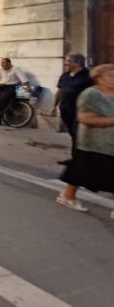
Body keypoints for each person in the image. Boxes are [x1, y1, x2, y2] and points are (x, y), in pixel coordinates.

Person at [55, 64, 114, 219]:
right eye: (111, 75)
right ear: (98, 79)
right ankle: (68, 196)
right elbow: (84, 118)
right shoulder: (91, 94)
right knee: (81, 172)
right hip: (93, 142)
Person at [51, 53, 94, 164]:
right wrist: (54, 106)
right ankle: (75, 158)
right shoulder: (65, 75)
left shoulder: (88, 76)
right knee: (72, 134)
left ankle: (79, 160)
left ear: (78, 63)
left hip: (80, 111)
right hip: (65, 109)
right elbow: (59, 91)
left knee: (77, 134)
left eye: (69, 61)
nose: (66, 63)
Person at [0, 58, 30, 125]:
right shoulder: (1, 70)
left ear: (9, 63)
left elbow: (24, 80)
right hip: (1, 87)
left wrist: (26, 88)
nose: (2, 64)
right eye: (1, 63)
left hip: (11, 87)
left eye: (4, 63)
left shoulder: (15, 69)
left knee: (0, 101)